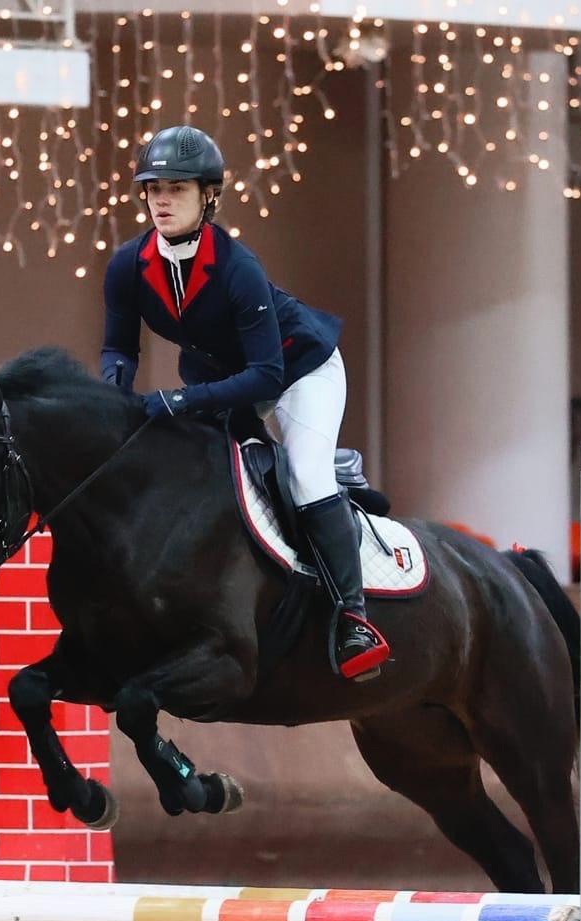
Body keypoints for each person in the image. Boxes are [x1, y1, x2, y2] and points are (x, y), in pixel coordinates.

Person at [98, 124, 388, 682]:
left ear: (208, 195)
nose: (161, 200)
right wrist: (114, 394)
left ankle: (353, 618)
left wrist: (179, 399)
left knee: (304, 475)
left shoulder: (237, 267)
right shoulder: (127, 265)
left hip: (298, 370)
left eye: (177, 188)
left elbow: (266, 376)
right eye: (154, 188)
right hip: (222, 378)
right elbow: (118, 347)